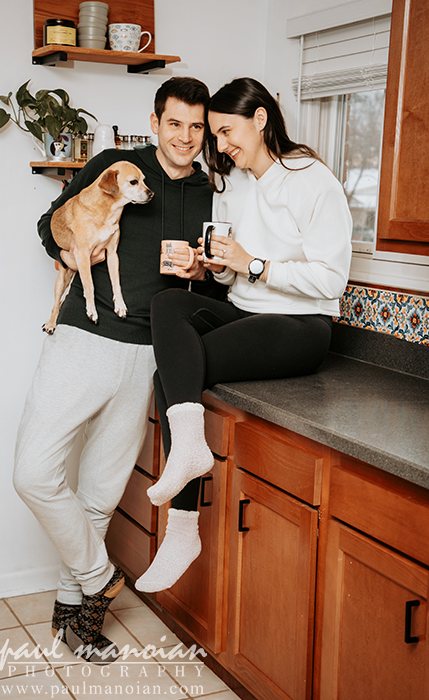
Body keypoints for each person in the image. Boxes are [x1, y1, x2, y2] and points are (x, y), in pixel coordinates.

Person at [13, 77, 223, 662]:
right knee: (34, 473)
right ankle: (102, 577)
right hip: (83, 337)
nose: (185, 137)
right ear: (154, 123)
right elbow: (50, 222)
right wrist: (68, 249)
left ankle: (72, 619)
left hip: (150, 353)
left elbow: (213, 276)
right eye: (174, 123)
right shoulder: (115, 165)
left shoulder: (211, 193)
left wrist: (202, 271)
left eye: (197, 126)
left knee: (101, 493)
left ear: (205, 131)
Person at [135, 77, 353, 593]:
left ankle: (182, 527)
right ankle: (190, 456)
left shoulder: (313, 181)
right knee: (168, 303)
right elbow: (234, 273)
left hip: (302, 327)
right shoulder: (232, 183)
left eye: (226, 132)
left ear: (260, 120)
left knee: (174, 373)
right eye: (216, 135)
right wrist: (214, 265)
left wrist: (252, 264)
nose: (221, 145)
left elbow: (330, 280)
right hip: (244, 308)